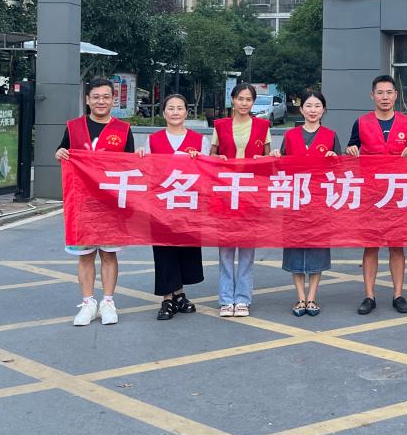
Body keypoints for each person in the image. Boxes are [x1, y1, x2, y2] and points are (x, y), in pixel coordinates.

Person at [55, 78, 134, 327]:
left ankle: (108, 302)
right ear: (87, 99)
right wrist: (59, 153)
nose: (101, 101)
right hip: (82, 204)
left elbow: (131, 165)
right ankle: (88, 303)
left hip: (111, 204)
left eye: (106, 97)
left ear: (113, 100)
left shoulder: (123, 129)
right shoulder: (74, 127)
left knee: (109, 255)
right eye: (96, 97)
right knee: (86, 255)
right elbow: (62, 152)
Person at [345, 75, 407, 315]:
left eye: (389, 92)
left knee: (397, 246)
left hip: (398, 193)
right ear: (372, 95)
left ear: (396, 95)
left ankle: (398, 295)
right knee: (371, 245)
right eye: (380, 92)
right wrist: (351, 149)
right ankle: (369, 295)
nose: (385, 97)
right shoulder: (361, 123)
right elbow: (351, 148)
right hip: (371, 194)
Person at [137, 94, 207, 321]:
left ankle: (180, 294)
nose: (175, 112)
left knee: (186, 250)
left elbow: (209, 172)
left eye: (180, 108)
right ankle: (168, 298)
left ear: (187, 112)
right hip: (161, 206)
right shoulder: (154, 140)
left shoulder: (199, 141)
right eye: (170, 108)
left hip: (188, 205)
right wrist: (140, 156)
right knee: (164, 250)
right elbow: (146, 171)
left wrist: (199, 159)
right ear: (164, 112)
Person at [275, 89, 339, 318]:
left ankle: (312, 297)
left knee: (317, 249)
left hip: (319, 202)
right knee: (295, 249)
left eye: (317, 106)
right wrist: (277, 157)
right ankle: (300, 297)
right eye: (308, 106)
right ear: (301, 109)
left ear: (324, 110)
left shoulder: (330, 136)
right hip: (295, 201)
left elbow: (339, 171)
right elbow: (281, 167)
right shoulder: (291, 136)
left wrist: (334, 160)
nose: (313, 110)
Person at [210, 82, 272, 318]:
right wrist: (219, 159)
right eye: (240, 99)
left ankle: (243, 298)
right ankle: (226, 299)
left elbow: (268, 158)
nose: (244, 103)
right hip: (225, 193)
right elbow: (212, 156)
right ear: (233, 100)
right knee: (226, 249)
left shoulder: (263, 126)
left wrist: (263, 160)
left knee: (247, 250)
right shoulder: (220, 125)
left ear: (253, 102)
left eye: (248, 99)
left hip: (250, 194)